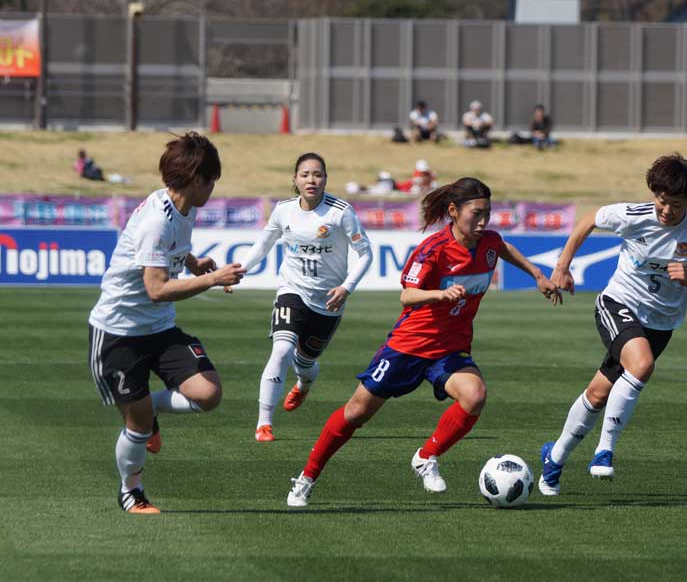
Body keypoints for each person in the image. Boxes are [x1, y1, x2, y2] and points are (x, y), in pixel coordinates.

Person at [285, 177, 560, 508]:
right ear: (454, 211)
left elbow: (502, 247)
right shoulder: (433, 249)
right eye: (476, 213)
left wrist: (538, 275)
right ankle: (306, 478)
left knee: (475, 396)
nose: (483, 221)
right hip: (409, 346)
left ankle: (426, 456)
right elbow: (406, 295)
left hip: (450, 348)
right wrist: (439, 294)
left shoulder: (488, 241)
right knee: (356, 413)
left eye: (487, 213)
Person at [538, 153, 687, 496]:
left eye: (676, 205)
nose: (667, 210)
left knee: (597, 393)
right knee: (642, 365)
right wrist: (562, 266)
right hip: (618, 303)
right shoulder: (633, 215)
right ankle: (604, 450)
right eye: (662, 200)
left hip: (662, 322)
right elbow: (588, 221)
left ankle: (554, 458)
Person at [87, 132, 246, 514]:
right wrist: (212, 279)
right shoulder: (156, 221)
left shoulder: (181, 206)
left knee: (208, 395)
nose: (213, 189)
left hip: (158, 329)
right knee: (138, 426)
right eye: (212, 181)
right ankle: (131, 491)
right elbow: (156, 289)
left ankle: (146, 408)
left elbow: (172, 249)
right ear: (196, 181)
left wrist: (192, 263)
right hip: (119, 334)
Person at [239, 152, 373, 443]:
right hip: (292, 290)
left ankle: (304, 382)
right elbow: (263, 244)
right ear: (295, 179)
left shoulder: (340, 212)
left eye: (317, 174)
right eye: (305, 174)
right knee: (281, 351)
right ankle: (264, 424)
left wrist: (346, 287)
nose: (311, 179)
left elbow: (365, 253)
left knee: (305, 360)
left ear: (325, 178)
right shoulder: (284, 210)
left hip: (328, 300)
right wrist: (240, 270)